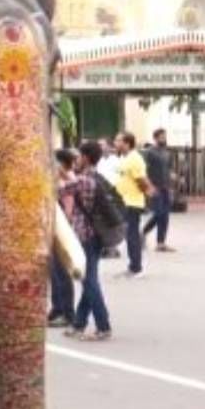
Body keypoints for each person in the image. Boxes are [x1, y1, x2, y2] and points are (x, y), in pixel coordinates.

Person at [63, 141, 113, 341]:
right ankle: (79, 324)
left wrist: (61, 172)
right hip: (98, 235)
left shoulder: (83, 180)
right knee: (88, 279)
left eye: (78, 156)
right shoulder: (98, 178)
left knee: (88, 281)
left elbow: (57, 190)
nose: (76, 160)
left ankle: (103, 326)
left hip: (85, 236)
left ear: (85, 157)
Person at [113, 132, 154, 278]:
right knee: (129, 235)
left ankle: (136, 268)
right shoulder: (126, 158)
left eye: (118, 141)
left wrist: (148, 192)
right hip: (125, 201)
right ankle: (132, 266)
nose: (115, 143)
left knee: (132, 235)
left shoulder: (135, 159)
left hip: (132, 202)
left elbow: (141, 180)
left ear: (127, 143)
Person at [48, 149, 77, 328]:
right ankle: (57, 308)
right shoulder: (56, 178)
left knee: (61, 271)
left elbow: (68, 208)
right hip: (52, 225)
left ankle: (67, 312)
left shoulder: (70, 180)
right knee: (53, 270)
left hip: (63, 228)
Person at [141, 129, 175, 252]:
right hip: (155, 187)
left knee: (165, 216)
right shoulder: (150, 152)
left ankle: (161, 243)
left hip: (166, 187)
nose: (164, 139)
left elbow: (170, 168)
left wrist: (172, 176)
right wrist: (148, 186)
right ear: (155, 138)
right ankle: (143, 232)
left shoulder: (167, 153)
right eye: (161, 137)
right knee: (159, 213)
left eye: (164, 136)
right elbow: (143, 170)